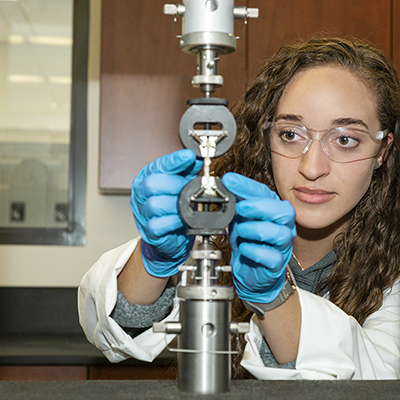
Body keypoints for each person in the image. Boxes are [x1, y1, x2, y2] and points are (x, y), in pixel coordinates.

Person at [78, 36, 400, 380]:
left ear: (382, 151)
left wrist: (275, 298)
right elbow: (117, 327)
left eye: (345, 139)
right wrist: (153, 258)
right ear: (266, 138)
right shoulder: (220, 228)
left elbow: (379, 377)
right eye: (291, 134)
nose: (312, 166)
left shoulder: (393, 266)